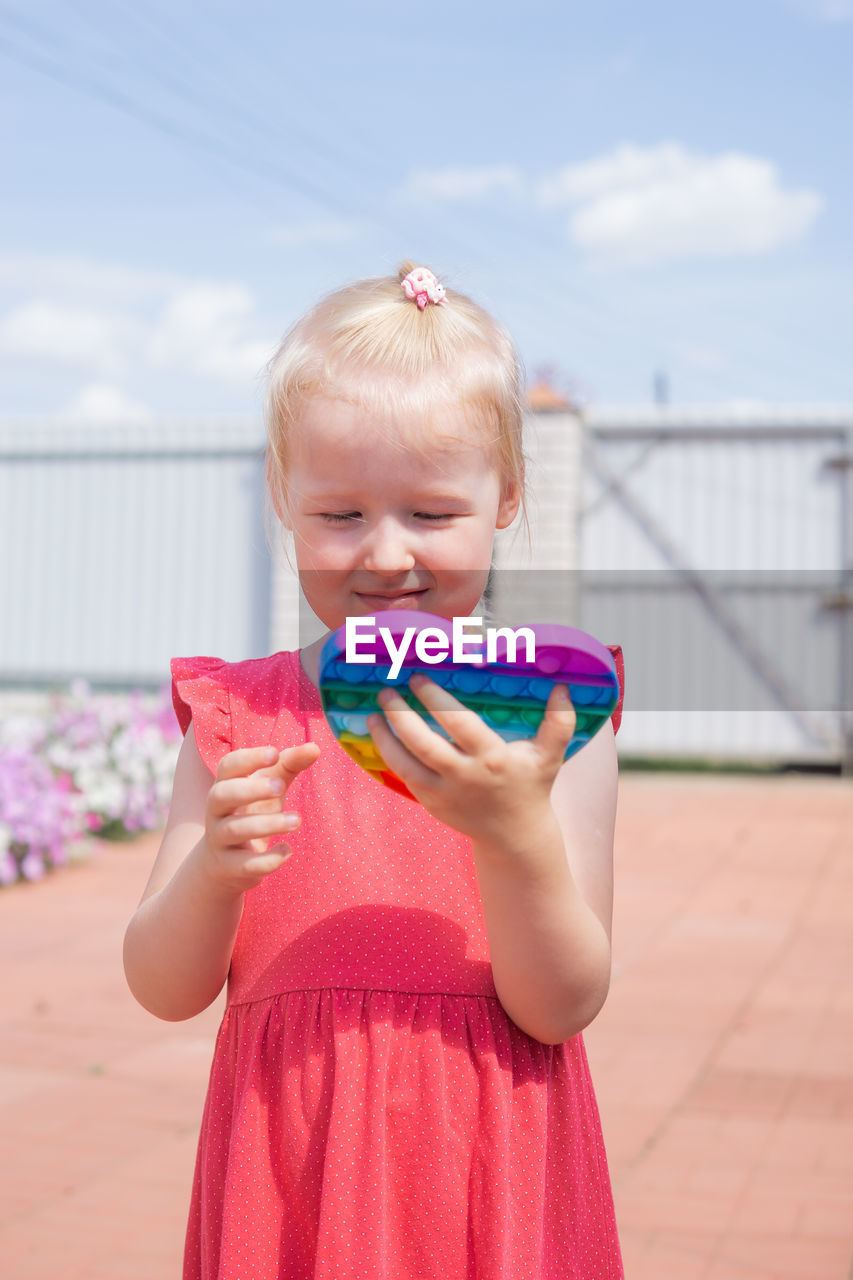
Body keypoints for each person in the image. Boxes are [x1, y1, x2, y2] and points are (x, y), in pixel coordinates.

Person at [123, 263, 626, 1280]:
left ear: (506, 499)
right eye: (340, 514)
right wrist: (212, 872)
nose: (384, 554)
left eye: (432, 514)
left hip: (488, 1173)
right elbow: (163, 986)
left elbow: (562, 1000)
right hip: (293, 1176)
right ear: (282, 498)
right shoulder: (238, 717)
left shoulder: (551, 714)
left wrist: (513, 831)